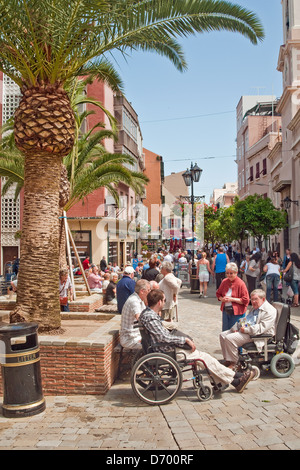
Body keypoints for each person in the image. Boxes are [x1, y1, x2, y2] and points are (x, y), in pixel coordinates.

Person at [139, 289, 255, 393]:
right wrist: (185, 340)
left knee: (205, 358)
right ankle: (236, 377)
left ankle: (231, 381)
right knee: (203, 359)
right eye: (164, 300)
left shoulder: (148, 314)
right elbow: (163, 337)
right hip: (166, 350)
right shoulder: (150, 317)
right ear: (159, 302)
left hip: (163, 347)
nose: (165, 302)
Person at [219, 289, 277, 368]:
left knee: (229, 338)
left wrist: (246, 329)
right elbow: (247, 320)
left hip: (258, 334)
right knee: (223, 335)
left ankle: (234, 363)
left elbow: (262, 327)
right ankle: (228, 359)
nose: (253, 301)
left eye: (256, 299)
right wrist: (237, 327)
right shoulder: (255, 308)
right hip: (248, 331)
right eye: (252, 299)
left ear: (263, 299)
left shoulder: (269, 311)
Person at [216, 262, 249, 331]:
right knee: (225, 331)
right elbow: (218, 294)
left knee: (236, 332)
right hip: (226, 311)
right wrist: (222, 299)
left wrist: (232, 299)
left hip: (238, 312)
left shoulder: (241, 283)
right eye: (227, 273)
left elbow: (246, 300)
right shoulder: (224, 281)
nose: (229, 275)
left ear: (236, 273)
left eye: (231, 273)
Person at [120, 280, 151, 350]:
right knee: (154, 346)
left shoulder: (139, 299)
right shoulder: (134, 301)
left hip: (135, 335)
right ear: (142, 291)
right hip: (130, 339)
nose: (150, 292)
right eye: (148, 290)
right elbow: (140, 319)